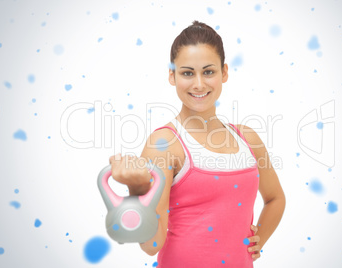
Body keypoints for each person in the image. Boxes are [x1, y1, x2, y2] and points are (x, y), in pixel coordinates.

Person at [109, 20, 286, 267]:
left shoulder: (248, 139)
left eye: (209, 71)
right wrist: (137, 190)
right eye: (187, 73)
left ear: (224, 72)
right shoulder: (165, 144)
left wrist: (259, 239)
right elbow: (151, 246)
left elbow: (275, 198)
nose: (199, 84)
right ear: (172, 75)